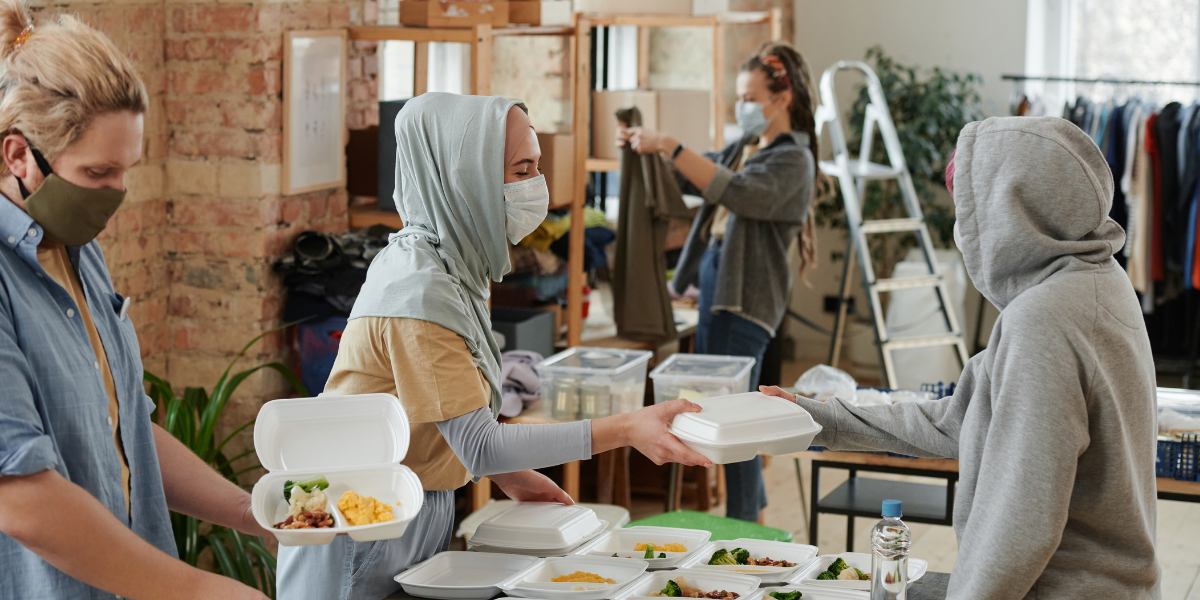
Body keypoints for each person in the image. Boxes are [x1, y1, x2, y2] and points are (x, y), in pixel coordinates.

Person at [277, 92, 712, 600]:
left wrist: (511, 472)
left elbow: (453, 425)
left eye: (536, 168)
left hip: (412, 501)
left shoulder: (455, 267)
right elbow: (480, 443)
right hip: (361, 519)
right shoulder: (419, 290)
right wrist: (627, 428)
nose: (535, 187)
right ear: (465, 177)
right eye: (520, 169)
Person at [762, 117, 1160, 599]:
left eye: (967, 213)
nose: (961, 230)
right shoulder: (1099, 281)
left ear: (1009, 213)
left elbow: (1020, 523)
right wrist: (818, 419)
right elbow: (961, 419)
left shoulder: (1043, 320)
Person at [0, 2, 275, 599]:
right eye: (98, 172)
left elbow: (125, 426)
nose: (116, 194)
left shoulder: (76, 247)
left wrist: (251, 513)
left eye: (126, 171)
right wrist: (194, 590)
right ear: (19, 155)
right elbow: (17, 495)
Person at [618, 41, 819, 523]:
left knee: (732, 426)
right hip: (720, 289)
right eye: (740, 97)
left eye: (750, 96)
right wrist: (649, 150)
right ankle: (755, 520)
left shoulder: (794, 161)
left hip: (745, 300)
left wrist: (669, 144)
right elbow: (696, 177)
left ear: (782, 97)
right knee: (728, 416)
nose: (743, 106)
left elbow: (735, 192)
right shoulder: (748, 147)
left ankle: (745, 527)